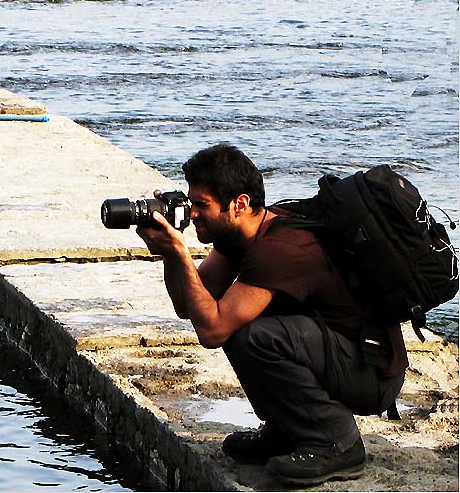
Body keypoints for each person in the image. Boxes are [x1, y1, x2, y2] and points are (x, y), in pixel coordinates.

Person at [134, 144, 407, 487]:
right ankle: (288, 428)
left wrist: (179, 251)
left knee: (254, 335)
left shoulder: (280, 249)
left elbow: (212, 331)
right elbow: (190, 305)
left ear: (240, 204)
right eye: (191, 204)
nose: (193, 214)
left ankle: (336, 442)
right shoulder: (243, 232)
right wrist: (170, 255)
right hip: (336, 355)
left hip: (371, 373)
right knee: (243, 325)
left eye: (202, 205)